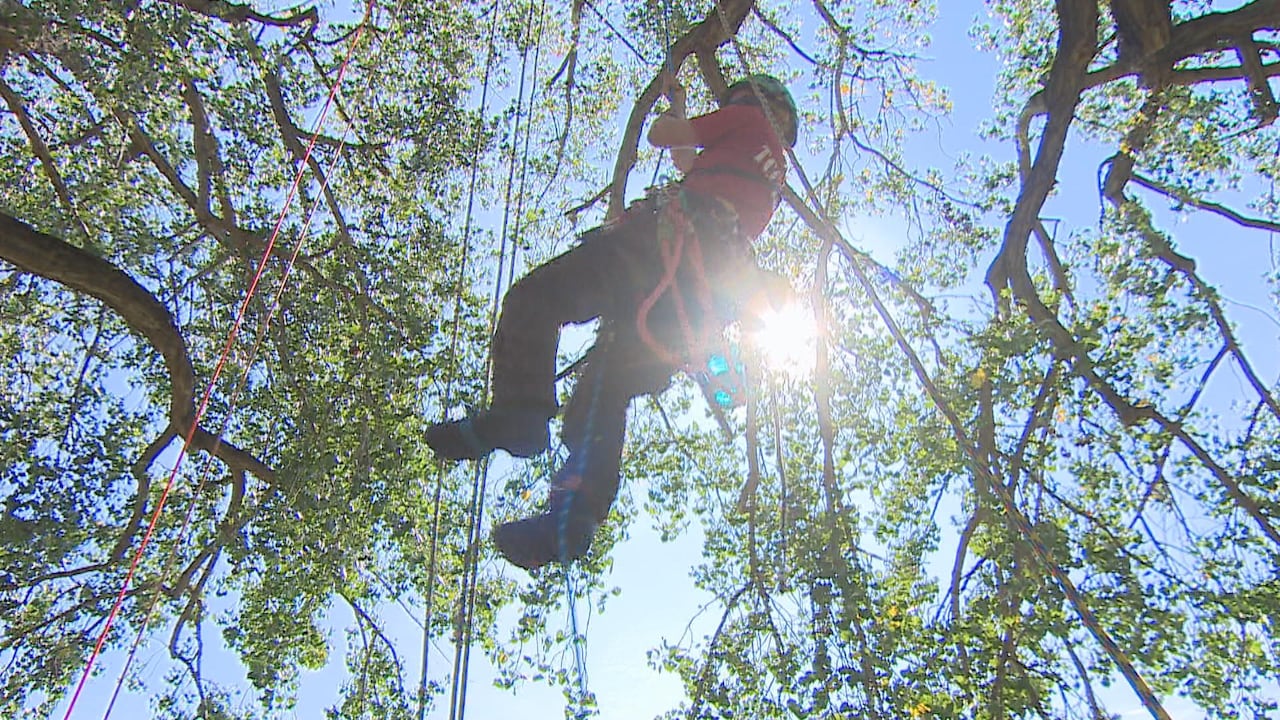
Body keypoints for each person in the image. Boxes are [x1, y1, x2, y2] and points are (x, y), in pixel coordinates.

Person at [425, 73, 799, 570]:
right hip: (697, 293)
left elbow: (667, 138)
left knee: (538, 297)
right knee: (606, 387)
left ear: (750, 101)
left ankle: (518, 409)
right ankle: (573, 520)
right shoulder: (770, 169)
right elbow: (692, 161)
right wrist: (685, 111)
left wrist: (674, 115)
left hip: (657, 246)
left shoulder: (748, 118)